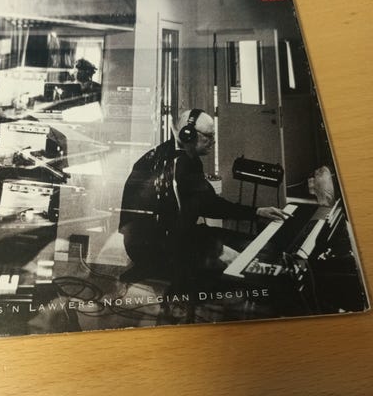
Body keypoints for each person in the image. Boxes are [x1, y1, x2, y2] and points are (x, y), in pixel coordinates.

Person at [118, 108, 288, 283]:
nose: (213, 141)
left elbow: (207, 204)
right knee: (251, 261)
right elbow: (204, 209)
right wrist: (215, 249)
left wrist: (256, 212)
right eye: (209, 136)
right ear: (188, 134)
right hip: (157, 249)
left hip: (171, 237)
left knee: (252, 247)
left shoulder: (177, 156)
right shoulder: (179, 164)